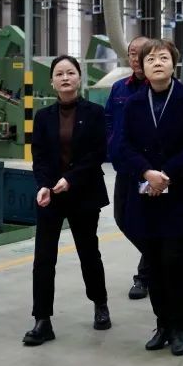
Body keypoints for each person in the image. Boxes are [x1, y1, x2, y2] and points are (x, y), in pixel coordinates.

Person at [117, 39, 183, 356]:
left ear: (174, 64)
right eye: (150, 59)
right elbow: (124, 145)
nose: (157, 63)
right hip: (146, 193)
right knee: (154, 263)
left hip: (179, 192)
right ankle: (162, 325)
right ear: (142, 68)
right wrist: (146, 172)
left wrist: (166, 173)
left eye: (163, 58)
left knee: (174, 260)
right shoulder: (133, 103)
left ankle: (179, 328)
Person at [24, 55, 110, 346]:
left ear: (79, 78)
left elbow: (97, 154)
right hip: (51, 195)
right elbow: (39, 157)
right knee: (43, 258)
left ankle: (100, 304)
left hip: (84, 192)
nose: (65, 78)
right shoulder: (43, 117)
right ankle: (42, 320)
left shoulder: (95, 113)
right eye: (59, 74)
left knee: (88, 252)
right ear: (52, 82)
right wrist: (43, 186)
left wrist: (70, 179)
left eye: (70, 73)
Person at [104, 35, 151, 300]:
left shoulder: (160, 87)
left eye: (142, 53)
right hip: (125, 168)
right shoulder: (119, 88)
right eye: (132, 53)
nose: (136, 58)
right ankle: (158, 258)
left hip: (149, 172)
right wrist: (112, 144)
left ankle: (144, 276)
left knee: (148, 219)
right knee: (123, 219)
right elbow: (109, 119)